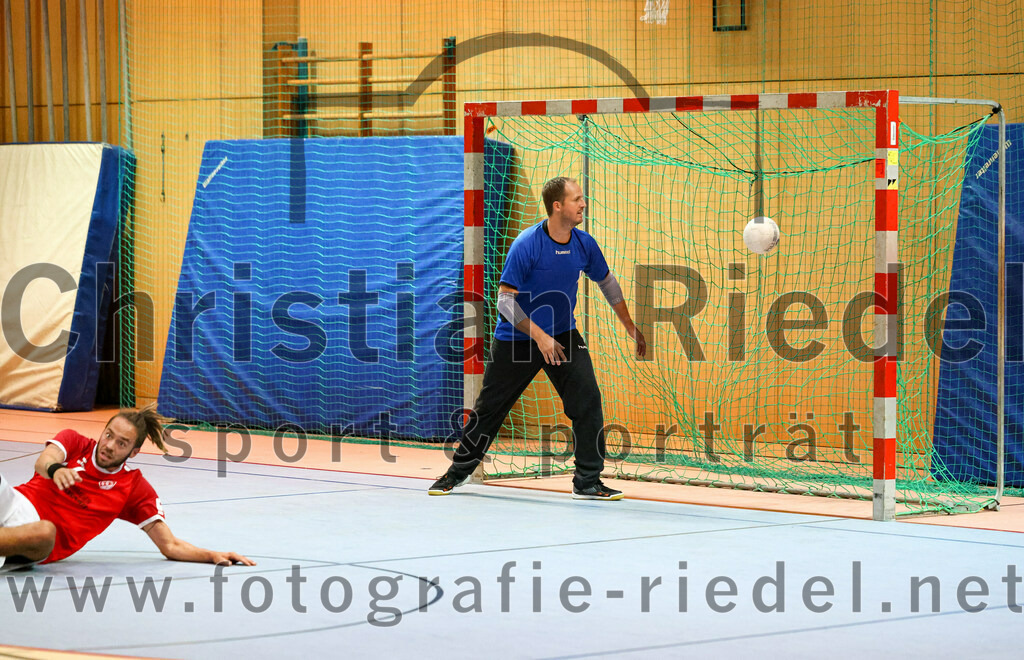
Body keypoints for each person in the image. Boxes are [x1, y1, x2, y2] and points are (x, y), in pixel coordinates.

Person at [429, 176, 646, 500]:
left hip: (563, 335)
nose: (583, 204)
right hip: (517, 339)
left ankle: (587, 481)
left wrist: (630, 325)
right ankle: (455, 474)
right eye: (576, 199)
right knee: (490, 409)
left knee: (587, 399)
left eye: (581, 199)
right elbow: (505, 301)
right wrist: (539, 337)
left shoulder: (584, 243)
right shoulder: (527, 244)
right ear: (557, 206)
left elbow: (608, 283)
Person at [0, 406, 254, 571]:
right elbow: (44, 461)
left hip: (36, 540)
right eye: (108, 435)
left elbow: (170, 545)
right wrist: (56, 470)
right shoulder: (75, 442)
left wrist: (211, 555)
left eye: (121, 443)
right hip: (13, 502)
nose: (109, 445)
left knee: (45, 532)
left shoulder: (133, 488)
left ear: (134, 451)